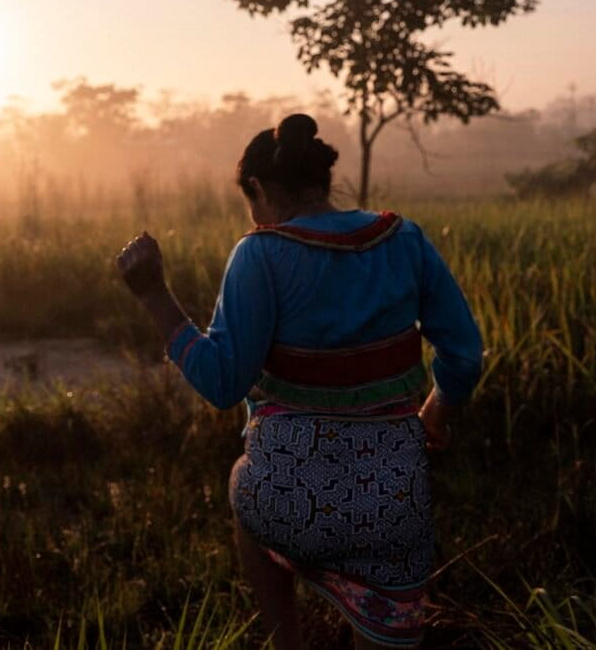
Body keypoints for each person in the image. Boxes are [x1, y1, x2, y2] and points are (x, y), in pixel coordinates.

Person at [115, 113, 483, 650]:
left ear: (259, 189)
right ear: (321, 178)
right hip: (393, 510)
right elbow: (465, 354)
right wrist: (436, 412)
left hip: (288, 505)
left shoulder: (260, 253)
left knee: (246, 489)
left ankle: (286, 641)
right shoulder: (404, 239)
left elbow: (223, 384)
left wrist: (153, 295)